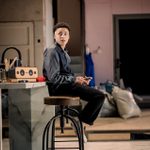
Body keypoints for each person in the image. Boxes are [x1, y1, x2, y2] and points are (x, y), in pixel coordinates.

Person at [43, 22, 105, 126]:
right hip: (57, 88)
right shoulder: (52, 51)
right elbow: (54, 78)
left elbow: (65, 74)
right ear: (54, 36)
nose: (62, 36)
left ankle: (80, 121)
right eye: (59, 33)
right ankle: (79, 121)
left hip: (66, 85)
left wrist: (79, 79)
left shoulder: (64, 52)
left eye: (65, 33)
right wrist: (74, 80)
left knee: (99, 96)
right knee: (99, 96)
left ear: (69, 37)